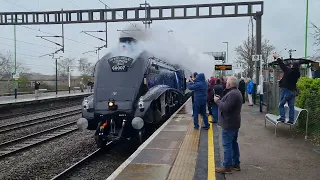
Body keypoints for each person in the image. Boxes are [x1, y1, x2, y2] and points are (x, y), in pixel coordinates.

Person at [214, 76, 243, 174]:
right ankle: (236, 163)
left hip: (229, 123)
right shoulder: (236, 92)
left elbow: (226, 108)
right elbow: (229, 104)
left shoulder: (233, 94)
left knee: (227, 145)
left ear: (229, 84)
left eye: (227, 82)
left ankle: (227, 166)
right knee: (234, 143)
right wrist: (221, 99)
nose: (226, 83)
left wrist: (217, 101)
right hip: (234, 122)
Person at [274, 54, 301, 123]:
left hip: (286, 90)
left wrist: (277, 58)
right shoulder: (297, 73)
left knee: (281, 105)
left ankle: (282, 117)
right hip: (293, 91)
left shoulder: (289, 71)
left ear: (292, 66)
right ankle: (291, 120)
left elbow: (282, 66)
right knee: (291, 106)